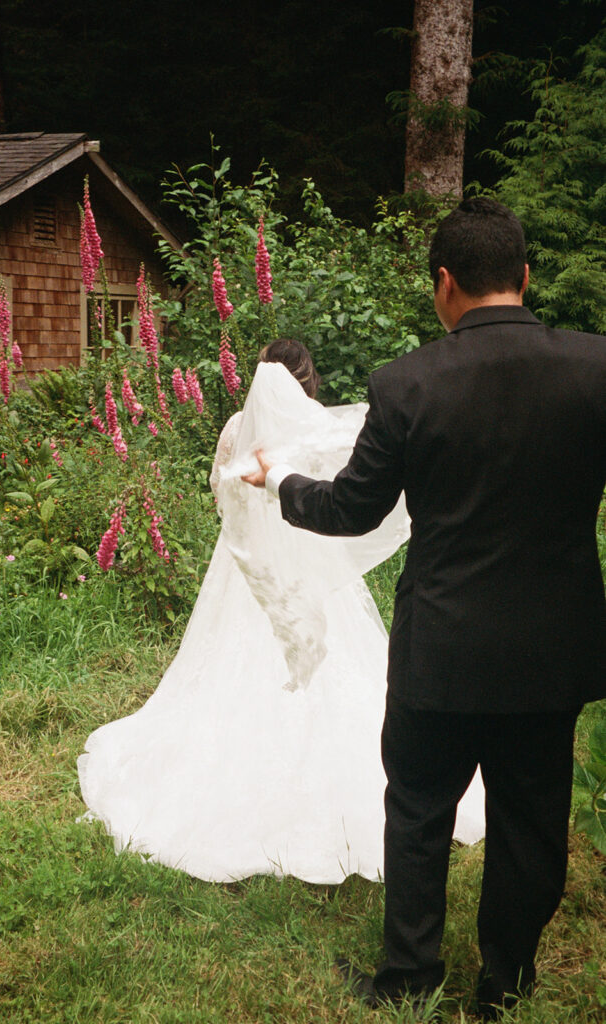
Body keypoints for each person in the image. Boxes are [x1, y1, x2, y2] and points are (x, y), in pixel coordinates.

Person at [244, 200, 606, 1019]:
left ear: (443, 284)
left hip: (438, 648)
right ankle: (505, 986)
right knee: (530, 820)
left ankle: (409, 976)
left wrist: (281, 484)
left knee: (415, 810)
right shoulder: (596, 369)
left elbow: (351, 512)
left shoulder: (404, 383)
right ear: (525, 276)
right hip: (551, 653)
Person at [77, 339, 485, 884]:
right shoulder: (318, 429)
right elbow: (344, 496)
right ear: (309, 381)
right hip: (312, 567)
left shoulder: (235, 429)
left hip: (247, 573)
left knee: (232, 666)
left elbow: (221, 496)